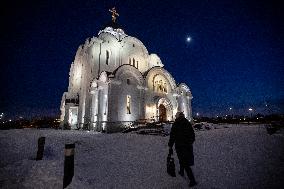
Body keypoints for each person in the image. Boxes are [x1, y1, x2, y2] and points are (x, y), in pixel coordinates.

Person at [168, 112, 197, 187]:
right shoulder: (187, 123)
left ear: (177, 117)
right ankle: (181, 171)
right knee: (183, 159)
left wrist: (170, 145)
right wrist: (189, 142)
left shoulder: (176, 123)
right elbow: (192, 135)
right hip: (187, 146)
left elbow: (172, 135)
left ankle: (192, 180)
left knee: (184, 161)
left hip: (180, 145)